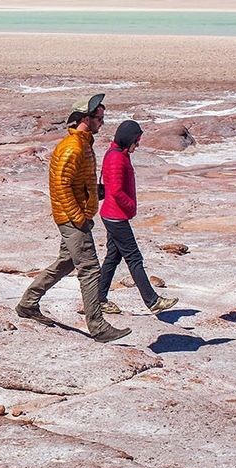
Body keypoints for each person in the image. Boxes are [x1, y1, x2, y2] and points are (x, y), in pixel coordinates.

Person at [15, 93, 132, 343]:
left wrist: (94, 195)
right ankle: (98, 326)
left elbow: (77, 183)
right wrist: (78, 217)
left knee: (65, 262)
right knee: (89, 269)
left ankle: (27, 304)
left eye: (103, 117)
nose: (102, 122)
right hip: (71, 218)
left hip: (76, 215)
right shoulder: (72, 148)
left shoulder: (83, 144)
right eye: (99, 118)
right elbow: (60, 186)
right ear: (85, 119)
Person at [96, 119, 178, 316]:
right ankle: (152, 301)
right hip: (115, 216)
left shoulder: (119, 154)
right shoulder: (116, 158)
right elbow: (115, 190)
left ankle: (98, 299)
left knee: (112, 258)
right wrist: (131, 206)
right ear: (128, 140)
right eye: (136, 141)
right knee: (134, 258)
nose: (138, 145)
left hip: (112, 214)